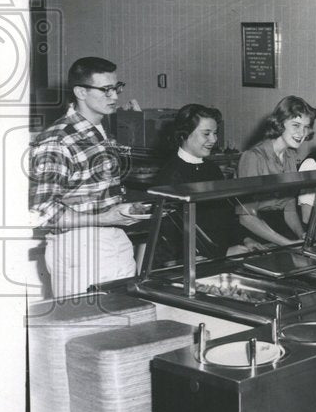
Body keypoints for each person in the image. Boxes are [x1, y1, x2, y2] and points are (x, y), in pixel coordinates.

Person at [30, 56, 139, 297]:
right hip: (79, 248)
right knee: (86, 330)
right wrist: (105, 217)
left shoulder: (99, 131)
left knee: (128, 324)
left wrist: (120, 210)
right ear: (80, 91)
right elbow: (43, 213)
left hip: (113, 239)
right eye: (106, 90)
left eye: (116, 88)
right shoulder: (57, 140)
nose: (115, 97)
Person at [155, 104, 251, 259]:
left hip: (222, 254)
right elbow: (173, 236)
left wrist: (245, 239)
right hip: (194, 262)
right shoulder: (170, 175)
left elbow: (225, 217)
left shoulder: (212, 169)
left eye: (215, 133)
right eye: (206, 134)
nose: (214, 139)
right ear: (184, 134)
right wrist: (221, 253)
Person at [236, 96, 316, 246]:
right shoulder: (253, 157)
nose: (302, 133)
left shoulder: (290, 156)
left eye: (306, 127)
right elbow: (246, 217)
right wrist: (286, 243)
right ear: (280, 124)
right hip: (255, 233)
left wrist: (302, 235)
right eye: (296, 125)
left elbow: (288, 206)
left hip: (280, 230)